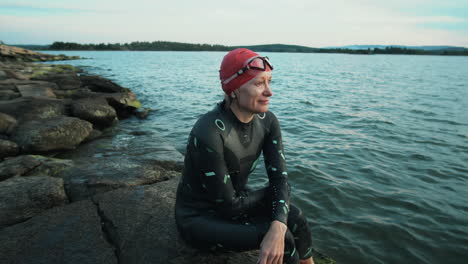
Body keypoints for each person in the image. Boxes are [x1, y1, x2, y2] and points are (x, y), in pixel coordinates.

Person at [175, 48, 315, 264]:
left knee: (294, 218)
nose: (269, 92)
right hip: (199, 218)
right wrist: (274, 199)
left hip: (238, 202)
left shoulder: (268, 121)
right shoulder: (209, 130)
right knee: (283, 240)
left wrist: (278, 221)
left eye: (269, 82)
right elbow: (228, 206)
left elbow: (280, 179)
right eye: (259, 83)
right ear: (233, 89)